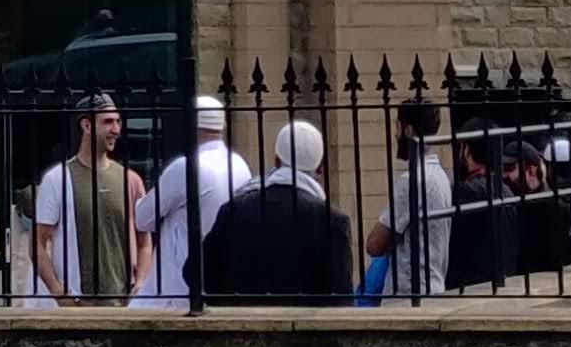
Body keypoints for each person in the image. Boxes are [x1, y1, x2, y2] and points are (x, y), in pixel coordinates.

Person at [196, 123, 355, 303]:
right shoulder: (331, 220)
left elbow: (197, 273)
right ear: (320, 168)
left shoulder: (236, 208)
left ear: (277, 159)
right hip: (306, 327)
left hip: (242, 324)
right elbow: (341, 296)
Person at [31, 95, 147, 305]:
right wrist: (59, 293)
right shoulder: (57, 179)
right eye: (108, 122)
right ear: (86, 125)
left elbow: (144, 239)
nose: (116, 129)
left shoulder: (131, 180)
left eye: (118, 121)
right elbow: (37, 242)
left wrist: (140, 284)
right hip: (77, 304)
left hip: (124, 304)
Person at [143, 94, 250, 307]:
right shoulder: (240, 165)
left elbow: (142, 219)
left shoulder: (186, 167)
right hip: (220, 285)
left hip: (174, 289)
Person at [370, 93, 457, 302]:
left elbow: (374, 244)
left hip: (406, 294)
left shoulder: (411, 180)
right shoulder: (441, 176)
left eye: (397, 127)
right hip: (435, 287)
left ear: (408, 130)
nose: (395, 134)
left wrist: (393, 238)